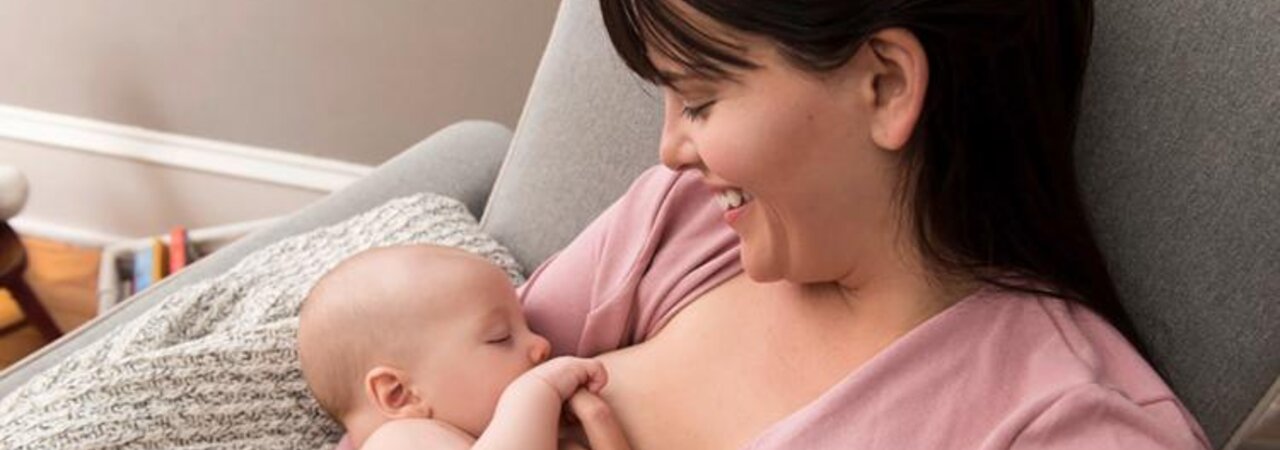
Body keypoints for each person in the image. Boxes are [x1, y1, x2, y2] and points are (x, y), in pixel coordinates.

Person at [511, 0, 1211, 448]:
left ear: (886, 85)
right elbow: (417, 382)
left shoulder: (1061, 424)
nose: (670, 150)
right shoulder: (686, 220)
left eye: (699, 98)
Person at [298, 245, 629, 450]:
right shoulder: (399, 439)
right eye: (500, 337)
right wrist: (536, 391)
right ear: (400, 394)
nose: (541, 344)